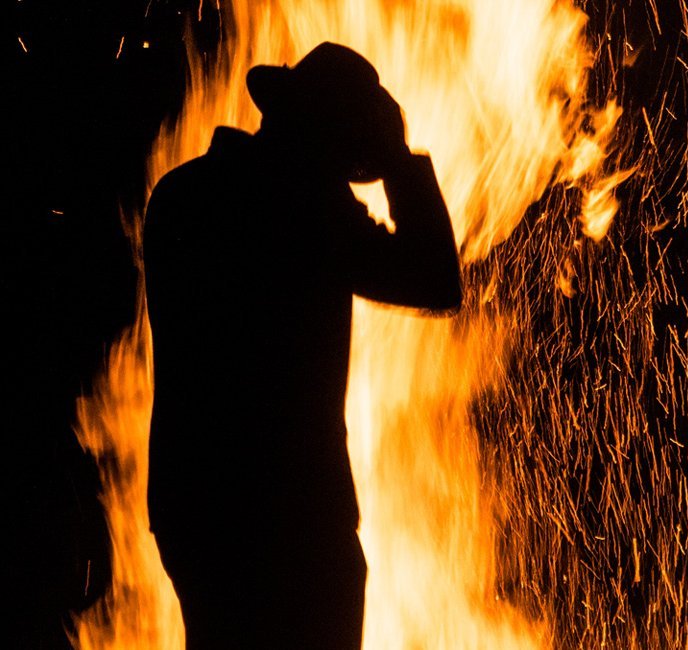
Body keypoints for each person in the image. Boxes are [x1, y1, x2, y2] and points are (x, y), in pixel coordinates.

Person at [142, 42, 463, 649]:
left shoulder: (180, 194)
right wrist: (397, 157)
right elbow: (435, 279)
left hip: (193, 503)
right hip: (294, 514)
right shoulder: (305, 209)